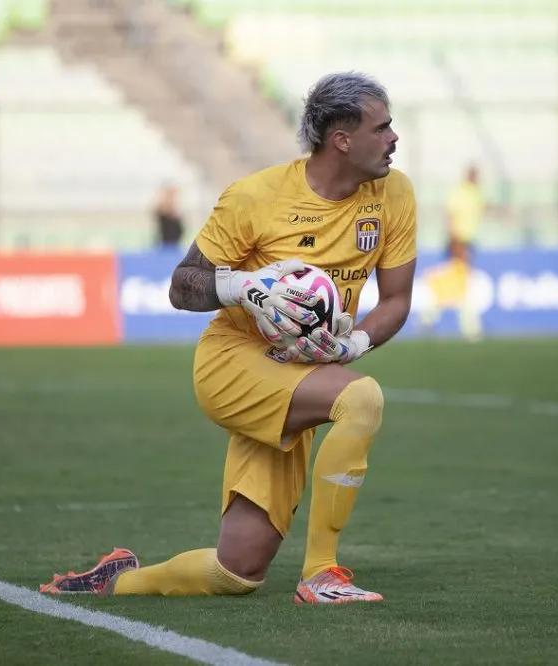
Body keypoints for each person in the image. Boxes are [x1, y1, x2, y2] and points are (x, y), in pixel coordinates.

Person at [39, 71, 416, 604]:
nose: (394, 137)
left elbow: (397, 300)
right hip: (234, 362)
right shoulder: (255, 197)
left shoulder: (393, 193)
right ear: (341, 140)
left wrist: (350, 345)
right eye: (383, 127)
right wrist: (247, 287)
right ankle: (321, 575)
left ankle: (116, 579)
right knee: (362, 399)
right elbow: (181, 285)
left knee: (236, 571)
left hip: (298, 372)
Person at [417, 164, 486, 341]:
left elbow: (482, 208)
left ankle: (432, 321)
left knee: (457, 283)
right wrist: (456, 242)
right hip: (458, 242)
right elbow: (450, 215)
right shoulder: (459, 192)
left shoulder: (475, 193)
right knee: (457, 283)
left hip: (466, 242)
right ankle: (468, 327)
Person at [153, 182, 185, 249]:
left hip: (175, 244)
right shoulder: (163, 209)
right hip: (165, 245)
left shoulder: (175, 211)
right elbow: (160, 209)